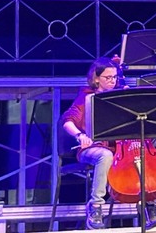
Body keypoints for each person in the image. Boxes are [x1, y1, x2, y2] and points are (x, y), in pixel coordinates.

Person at [61, 57, 121, 229]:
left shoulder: (120, 95)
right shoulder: (86, 96)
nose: (112, 81)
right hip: (91, 148)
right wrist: (80, 135)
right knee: (105, 155)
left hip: (118, 149)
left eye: (115, 77)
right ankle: (95, 207)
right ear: (96, 78)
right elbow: (68, 120)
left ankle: (149, 203)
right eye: (108, 78)